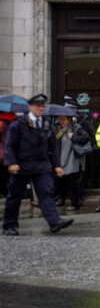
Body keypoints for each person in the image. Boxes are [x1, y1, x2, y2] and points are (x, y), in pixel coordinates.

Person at [2, 94, 74, 236]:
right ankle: (9, 224)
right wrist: (11, 163)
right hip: (22, 165)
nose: (41, 108)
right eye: (38, 106)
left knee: (46, 193)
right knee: (15, 195)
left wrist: (57, 165)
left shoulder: (46, 124)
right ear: (30, 107)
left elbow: (52, 147)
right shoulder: (19, 123)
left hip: (41, 165)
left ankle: (54, 222)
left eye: (42, 106)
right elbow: (9, 145)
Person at [54, 115, 86, 210]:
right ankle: (61, 199)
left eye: (63, 119)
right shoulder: (58, 129)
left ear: (69, 119)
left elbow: (85, 138)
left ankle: (74, 203)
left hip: (72, 159)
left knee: (72, 182)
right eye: (59, 119)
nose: (61, 121)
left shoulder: (76, 127)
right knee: (61, 181)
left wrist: (73, 137)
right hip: (61, 159)